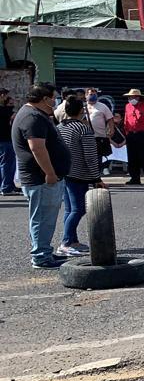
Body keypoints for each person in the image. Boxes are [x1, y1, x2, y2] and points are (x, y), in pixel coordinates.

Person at [13, 85, 70, 268]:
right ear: (44, 99)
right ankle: (41, 257)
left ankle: (44, 251)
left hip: (41, 178)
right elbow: (37, 147)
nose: (56, 101)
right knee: (42, 218)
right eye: (53, 98)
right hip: (40, 179)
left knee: (45, 218)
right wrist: (50, 173)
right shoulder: (32, 117)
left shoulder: (36, 115)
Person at [56, 98, 104, 257]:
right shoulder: (83, 129)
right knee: (79, 209)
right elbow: (90, 156)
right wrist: (97, 178)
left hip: (64, 173)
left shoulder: (59, 127)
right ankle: (66, 242)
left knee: (69, 209)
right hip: (79, 174)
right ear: (81, 111)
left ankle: (73, 240)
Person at [122, 89, 144, 185]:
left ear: (138, 97)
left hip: (142, 134)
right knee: (132, 157)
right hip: (131, 135)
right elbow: (126, 121)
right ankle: (135, 178)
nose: (131, 99)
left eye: (133, 97)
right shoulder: (127, 106)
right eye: (130, 97)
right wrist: (126, 134)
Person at [85, 88, 114, 168]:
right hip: (85, 137)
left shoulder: (102, 106)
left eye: (95, 94)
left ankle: (97, 176)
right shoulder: (82, 106)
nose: (93, 95)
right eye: (91, 94)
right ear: (86, 95)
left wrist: (111, 130)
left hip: (99, 136)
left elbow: (110, 119)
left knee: (98, 158)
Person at [0, 88, 17, 196]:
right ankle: (6, 187)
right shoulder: (3, 110)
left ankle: (6, 185)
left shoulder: (5, 109)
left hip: (5, 139)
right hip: (5, 139)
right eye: (5, 96)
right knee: (7, 164)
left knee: (5, 163)